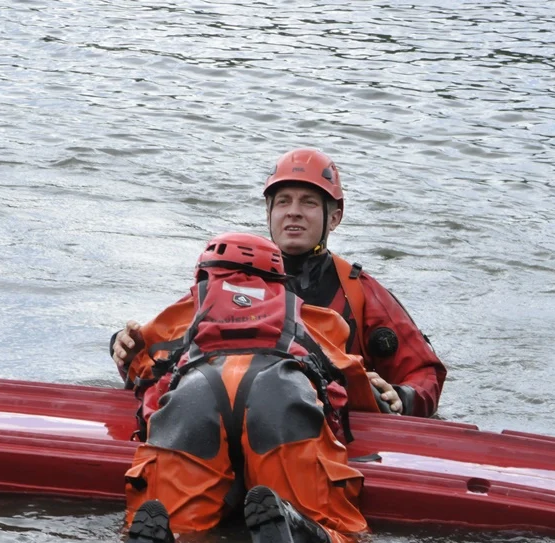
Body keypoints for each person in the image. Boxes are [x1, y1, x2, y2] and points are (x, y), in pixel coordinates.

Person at [111, 232, 382, 543]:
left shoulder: (187, 309)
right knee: (338, 529)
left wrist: (119, 347)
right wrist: (393, 401)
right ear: (278, 279)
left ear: (204, 275)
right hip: (280, 397)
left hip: (195, 396)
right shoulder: (312, 315)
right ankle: (305, 534)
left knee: (176, 522)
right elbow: (353, 385)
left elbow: (140, 368)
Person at [112, 148, 446, 418]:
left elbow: (424, 373)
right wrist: (127, 349)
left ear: (334, 217)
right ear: (269, 212)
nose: (294, 212)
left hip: (327, 420)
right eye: (283, 201)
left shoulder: (360, 292)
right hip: (233, 412)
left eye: (309, 202)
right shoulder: (226, 280)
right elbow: (166, 347)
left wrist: (402, 397)